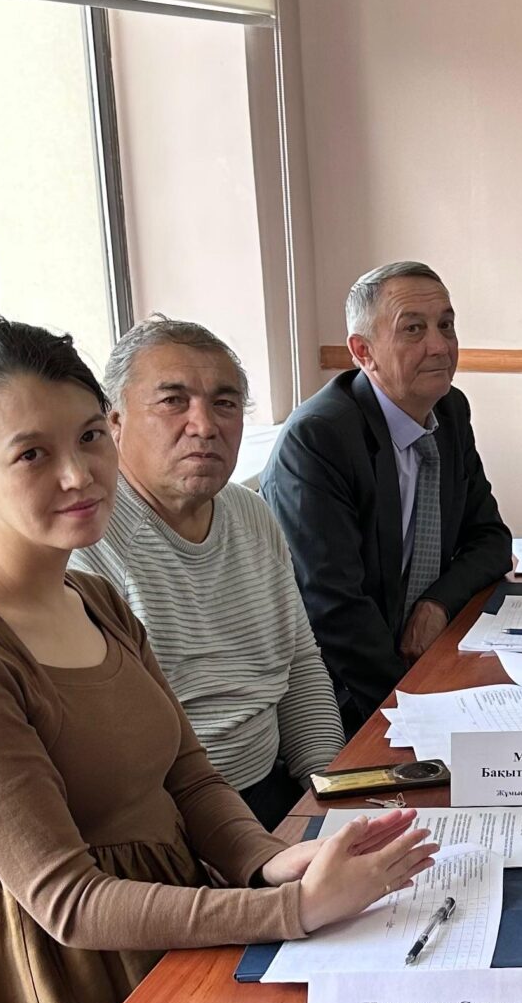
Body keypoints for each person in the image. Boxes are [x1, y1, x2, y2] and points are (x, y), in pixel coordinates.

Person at [0, 319, 434, 1003]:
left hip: (171, 938)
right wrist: (291, 911)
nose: (79, 474)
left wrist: (271, 862)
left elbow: (190, 775)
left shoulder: (94, 601)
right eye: (32, 455)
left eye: (89, 438)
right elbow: (69, 903)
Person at [73, 316, 343, 829]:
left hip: (274, 791)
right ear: (114, 422)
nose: (204, 425)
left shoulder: (251, 513)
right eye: (173, 401)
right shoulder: (88, 543)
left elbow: (300, 667)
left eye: (225, 403)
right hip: (168, 824)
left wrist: (326, 797)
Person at [262, 262, 512, 732]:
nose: (439, 345)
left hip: (428, 659)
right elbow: (335, 612)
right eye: (413, 329)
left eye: (446, 325)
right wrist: (417, 708)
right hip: (342, 695)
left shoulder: (449, 410)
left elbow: (491, 539)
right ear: (363, 352)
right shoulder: (319, 438)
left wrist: (437, 602)